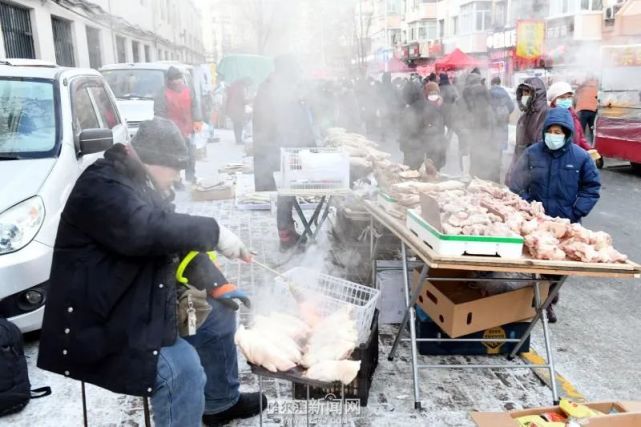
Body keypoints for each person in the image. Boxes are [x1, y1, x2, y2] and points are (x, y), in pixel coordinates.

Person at [37, 118, 266, 427]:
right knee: (181, 371)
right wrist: (214, 230)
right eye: (174, 168)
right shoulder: (101, 186)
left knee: (217, 314)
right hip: (104, 319)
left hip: (141, 296)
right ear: (152, 160)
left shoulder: (142, 182)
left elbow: (173, 241)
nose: (177, 176)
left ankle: (220, 403)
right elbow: (145, 230)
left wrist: (217, 284)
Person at [509, 107, 600, 322]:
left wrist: (576, 211)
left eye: (559, 132)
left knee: (558, 267)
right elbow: (515, 181)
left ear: (567, 134)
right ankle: (534, 299)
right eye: (551, 131)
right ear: (545, 131)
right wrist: (526, 206)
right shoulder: (532, 153)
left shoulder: (580, 157)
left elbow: (591, 187)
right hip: (535, 222)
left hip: (564, 223)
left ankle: (548, 302)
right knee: (534, 263)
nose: (554, 136)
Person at [253, 56, 316, 250]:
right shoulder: (275, 91)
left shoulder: (271, 87)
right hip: (279, 148)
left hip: (278, 147)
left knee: (286, 192)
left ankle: (287, 232)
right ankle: (286, 237)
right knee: (285, 192)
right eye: (295, 72)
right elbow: (288, 123)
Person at [154, 66, 202, 185]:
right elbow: (159, 113)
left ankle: (191, 176)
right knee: (174, 157)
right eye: (173, 80)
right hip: (171, 131)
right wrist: (164, 128)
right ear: (168, 81)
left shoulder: (188, 90)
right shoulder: (162, 93)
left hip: (188, 128)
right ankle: (176, 179)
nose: (176, 82)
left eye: (178, 79)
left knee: (190, 154)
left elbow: (195, 106)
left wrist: (197, 121)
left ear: (181, 79)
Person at [506, 77, 548, 186]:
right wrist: (511, 174)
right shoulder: (524, 117)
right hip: (523, 171)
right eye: (523, 92)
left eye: (528, 92)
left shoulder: (546, 114)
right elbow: (518, 148)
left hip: (538, 174)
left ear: (537, 93)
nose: (525, 95)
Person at [399, 80, 446, 170]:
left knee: (414, 177)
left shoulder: (408, 112)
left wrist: (404, 145)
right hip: (433, 153)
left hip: (414, 154)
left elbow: (405, 134)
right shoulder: (432, 108)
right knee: (432, 178)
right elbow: (440, 130)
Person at [461, 73, 500, 182]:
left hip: (485, 153)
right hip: (485, 151)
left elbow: (484, 135)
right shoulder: (483, 98)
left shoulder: (479, 103)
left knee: (484, 181)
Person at [547, 81, 591, 151]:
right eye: (562, 97)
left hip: (574, 154)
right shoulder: (548, 117)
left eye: (569, 97)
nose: (566, 100)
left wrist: (590, 149)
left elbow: (581, 138)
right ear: (553, 99)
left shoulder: (573, 115)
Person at [489, 76, 515, 152]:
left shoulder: (489, 92)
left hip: (493, 120)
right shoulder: (504, 92)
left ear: (492, 83)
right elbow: (511, 106)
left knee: (493, 139)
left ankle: (493, 160)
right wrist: (506, 113)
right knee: (501, 140)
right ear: (499, 83)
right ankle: (499, 159)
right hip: (503, 120)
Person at [226, 77, 252, 145]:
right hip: (237, 109)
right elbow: (243, 101)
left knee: (236, 124)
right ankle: (239, 140)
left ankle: (237, 139)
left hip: (231, 108)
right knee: (239, 125)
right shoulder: (241, 88)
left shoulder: (234, 86)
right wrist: (252, 99)